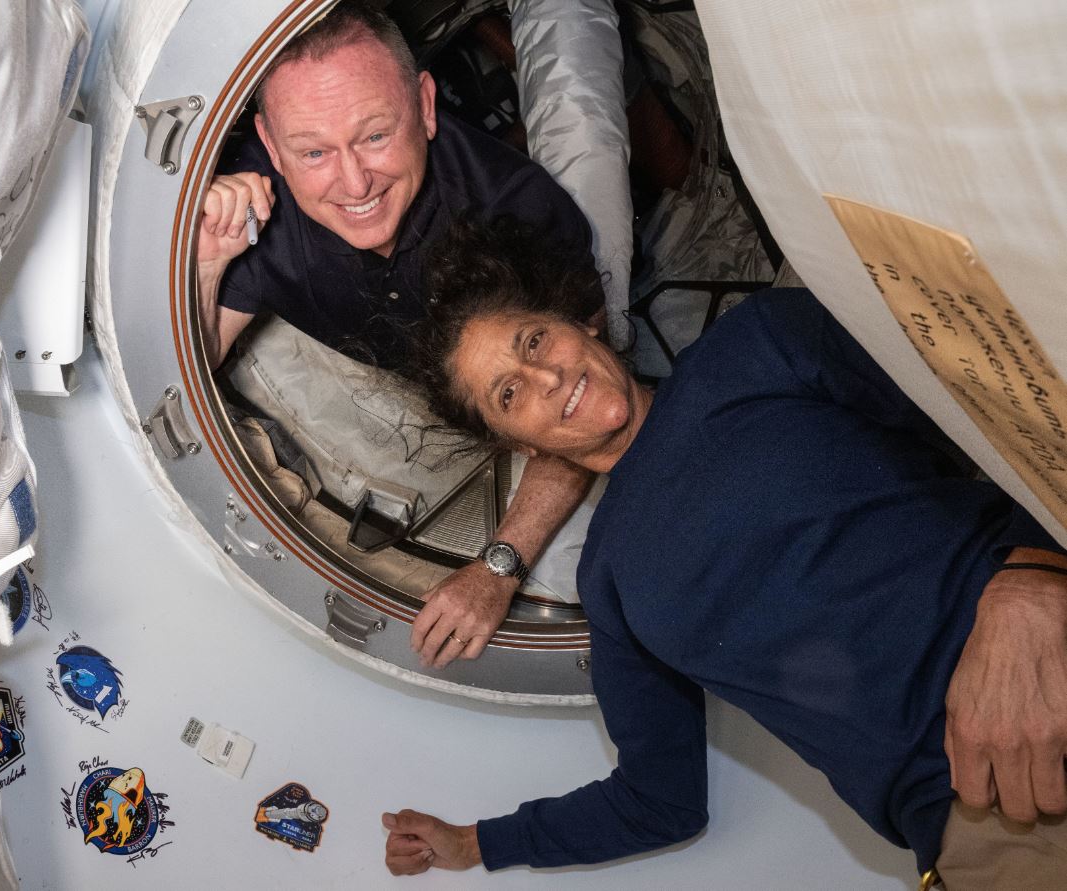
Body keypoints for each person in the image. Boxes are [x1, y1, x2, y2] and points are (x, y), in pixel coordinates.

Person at [381, 218, 1067, 888]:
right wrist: (476, 843)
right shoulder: (610, 583)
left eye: (533, 341)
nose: (546, 378)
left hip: (1046, 645)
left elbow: (1001, 410)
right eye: (509, 393)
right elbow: (658, 799)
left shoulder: (756, 343)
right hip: (990, 822)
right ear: (519, 447)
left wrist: (1032, 577)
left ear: (578, 321)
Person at [195, 1, 603, 666]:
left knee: (585, 132)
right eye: (313, 151)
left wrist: (497, 566)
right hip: (400, 373)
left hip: (518, 372)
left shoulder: (517, 212)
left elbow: (586, 406)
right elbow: (192, 360)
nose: (353, 182)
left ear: (425, 104)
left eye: (375, 136)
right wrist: (209, 260)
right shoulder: (257, 205)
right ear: (271, 146)